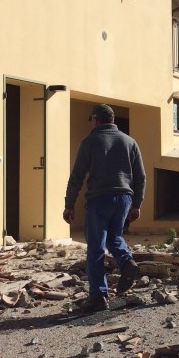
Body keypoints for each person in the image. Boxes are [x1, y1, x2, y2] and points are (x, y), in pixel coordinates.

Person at [64, 104, 146, 312]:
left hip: (99, 199)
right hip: (124, 198)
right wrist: (137, 204)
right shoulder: (130, 141)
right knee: (114, 236)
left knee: (95, 247)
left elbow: (77, 177)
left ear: (96, 120)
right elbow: (140, 176)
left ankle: (99, 296)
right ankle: (126, 261)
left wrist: (69, 204)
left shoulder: (89, 142)